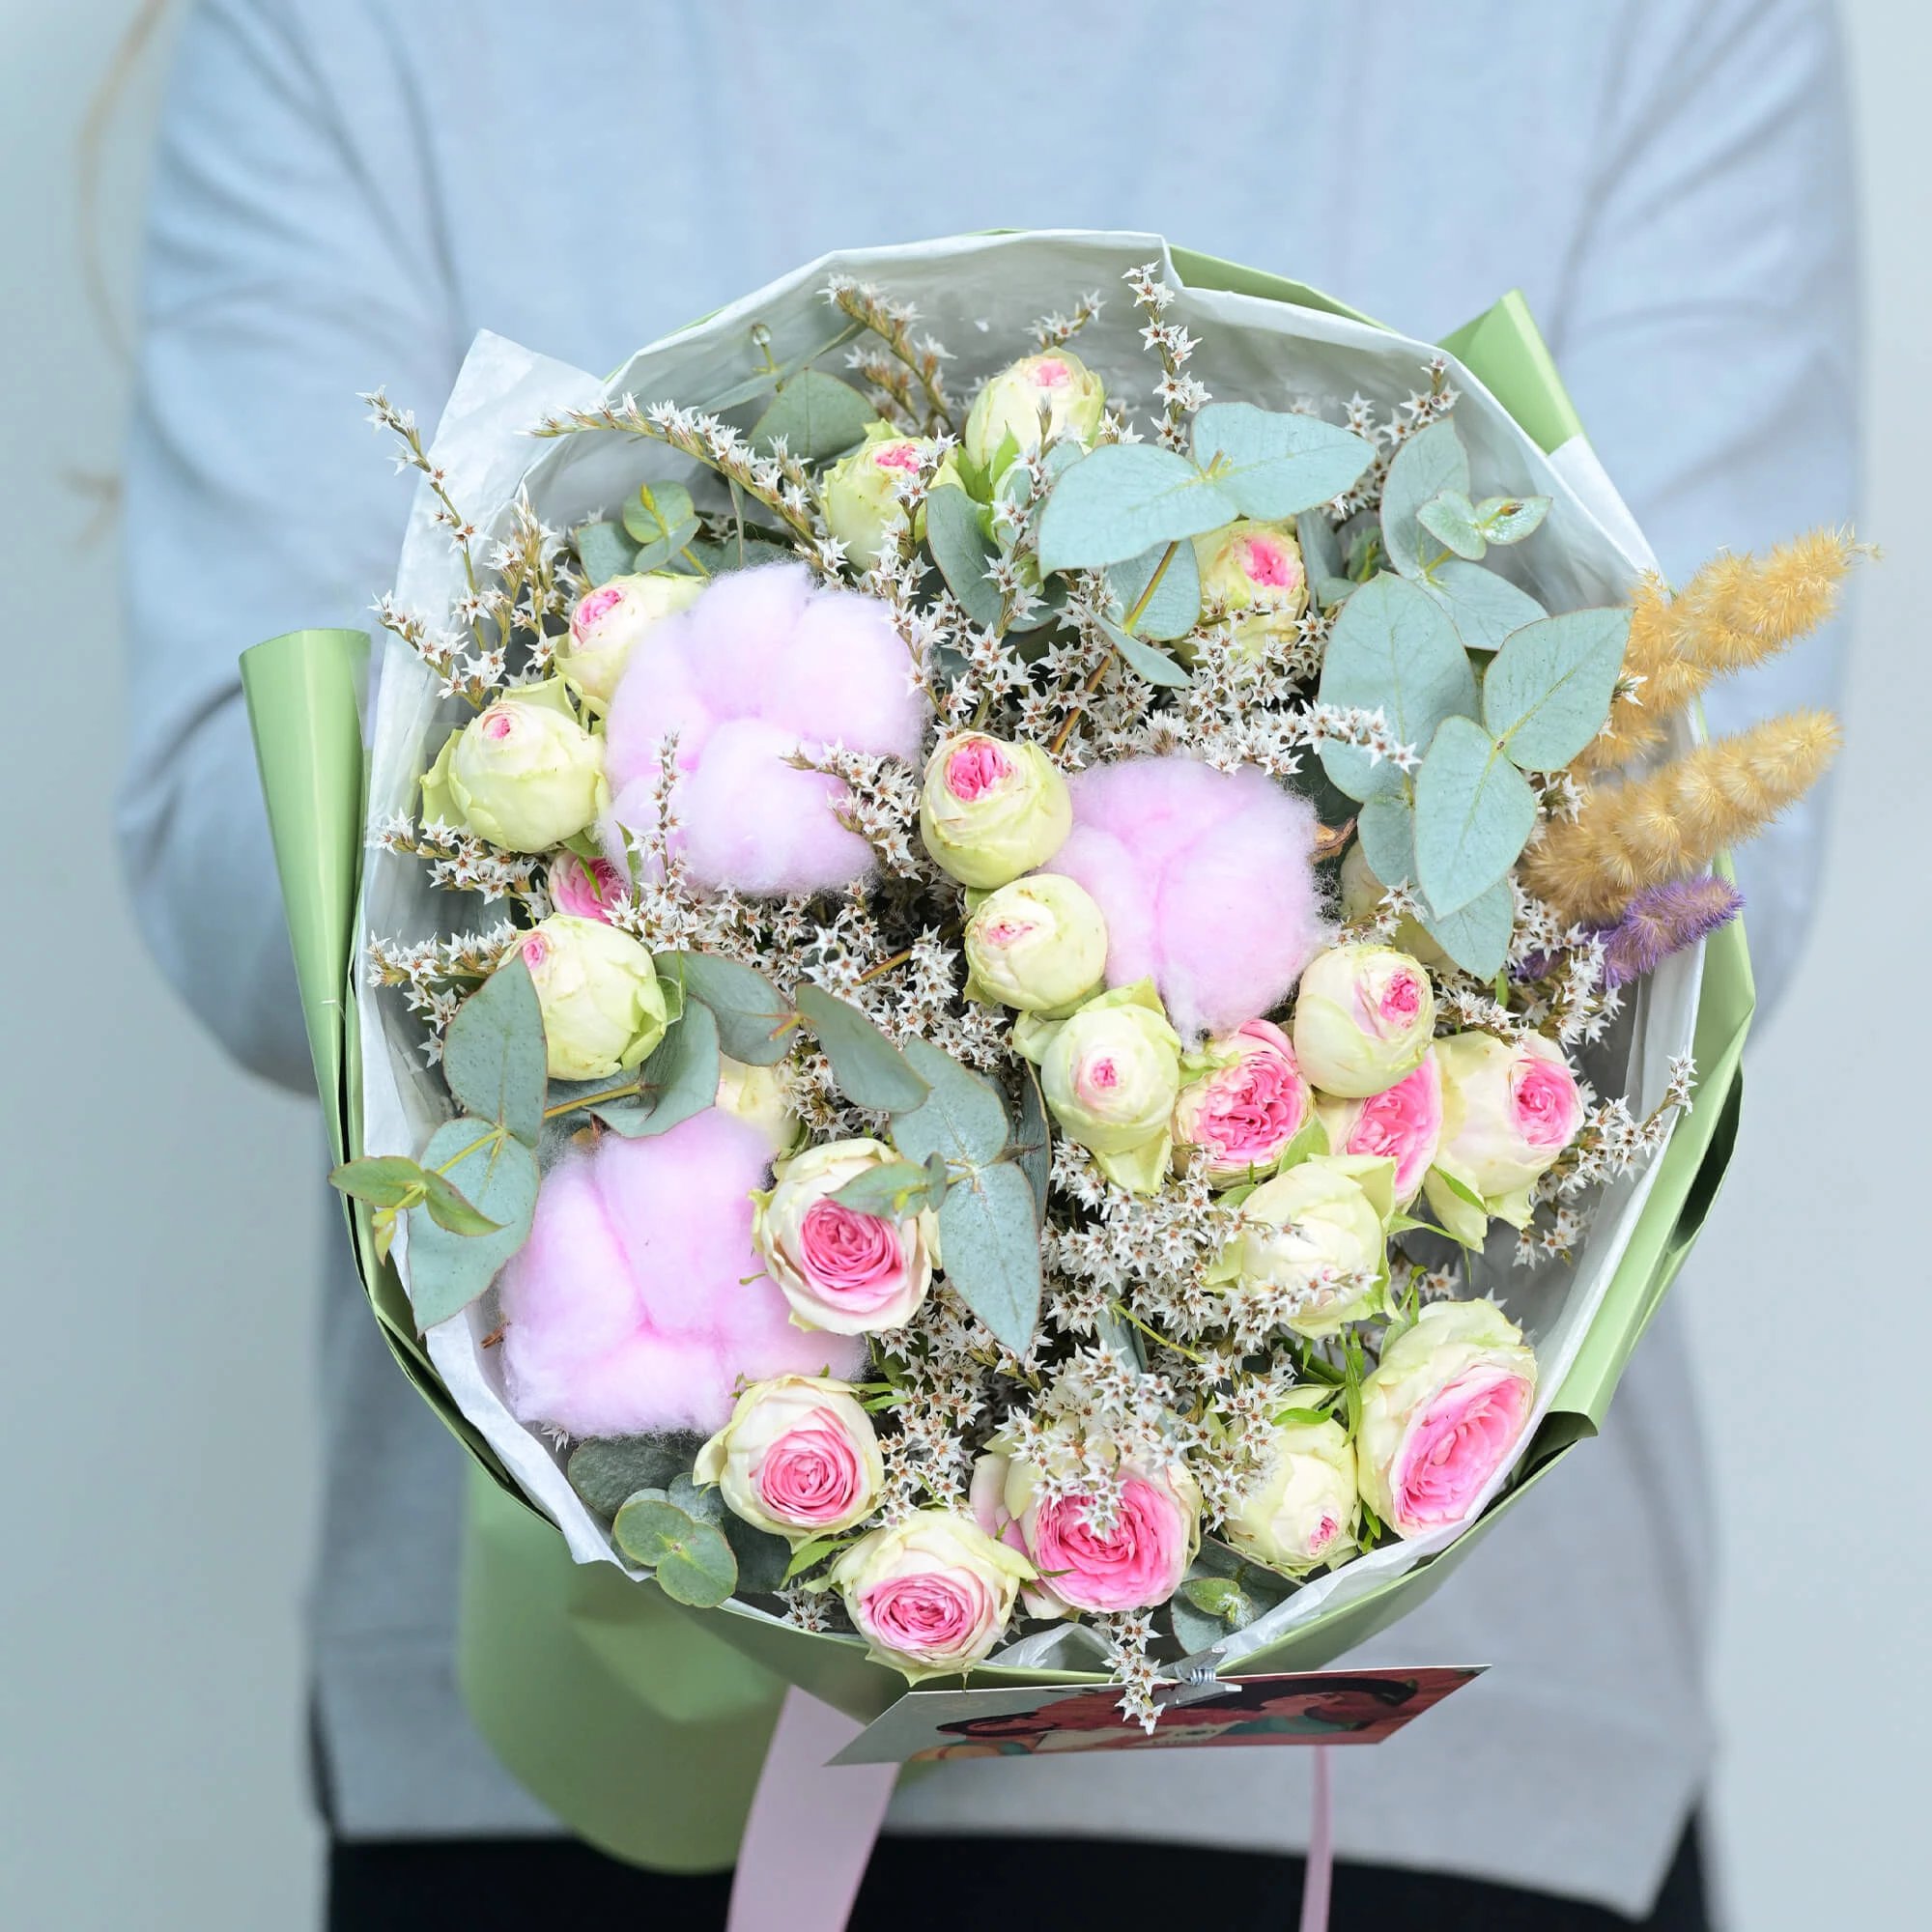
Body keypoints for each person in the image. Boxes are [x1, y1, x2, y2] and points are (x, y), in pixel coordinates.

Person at [117, 2, 1856, 1926]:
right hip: (607, 1730)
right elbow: (226, 847)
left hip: (1413, 1799)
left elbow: (1690, 845)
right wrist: (691, 850)